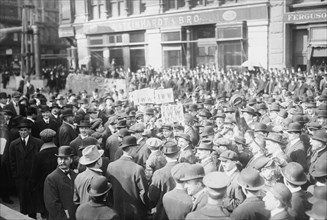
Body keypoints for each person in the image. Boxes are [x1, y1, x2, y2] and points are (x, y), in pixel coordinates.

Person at [106, 136, 148, 220]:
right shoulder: (137, 169)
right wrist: (148, 206)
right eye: (136, 147)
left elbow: (108, 189)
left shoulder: (111, 166)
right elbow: (143, 194)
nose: (137, 149)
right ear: (132, 148)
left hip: (116, 209)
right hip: (136, 212)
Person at [9, 118, 43, 218]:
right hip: (21, 178)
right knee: (23, 201)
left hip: (34, 178)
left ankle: (33, 217)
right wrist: (16, 176)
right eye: (21, 130)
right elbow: (12, 162)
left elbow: (40, 161)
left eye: (25, 130)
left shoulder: (38, 143)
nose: (22, 132)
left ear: (29, 131)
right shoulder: (14, 144)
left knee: (33, 201)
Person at [30, 129, 58, 219]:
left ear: (42, 140)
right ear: (54, 139)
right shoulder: (59, 152)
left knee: (46, 212)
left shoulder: (38, 156)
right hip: (58, 186)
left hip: (43, 188)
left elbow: (34, 176)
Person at [44, 146, 77, 220]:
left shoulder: (74, 174)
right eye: (60, 158)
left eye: (65, 159)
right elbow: (52, 204)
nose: (62, 162)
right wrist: (64, 217)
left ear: (71, 160)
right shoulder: (51, 178)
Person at [148, 141, 180, 220]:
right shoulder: (184, 169)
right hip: (180, 210)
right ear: (178, 154)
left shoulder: (159, 173)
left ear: (164, 155)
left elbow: (152, 196)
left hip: (163, 211)